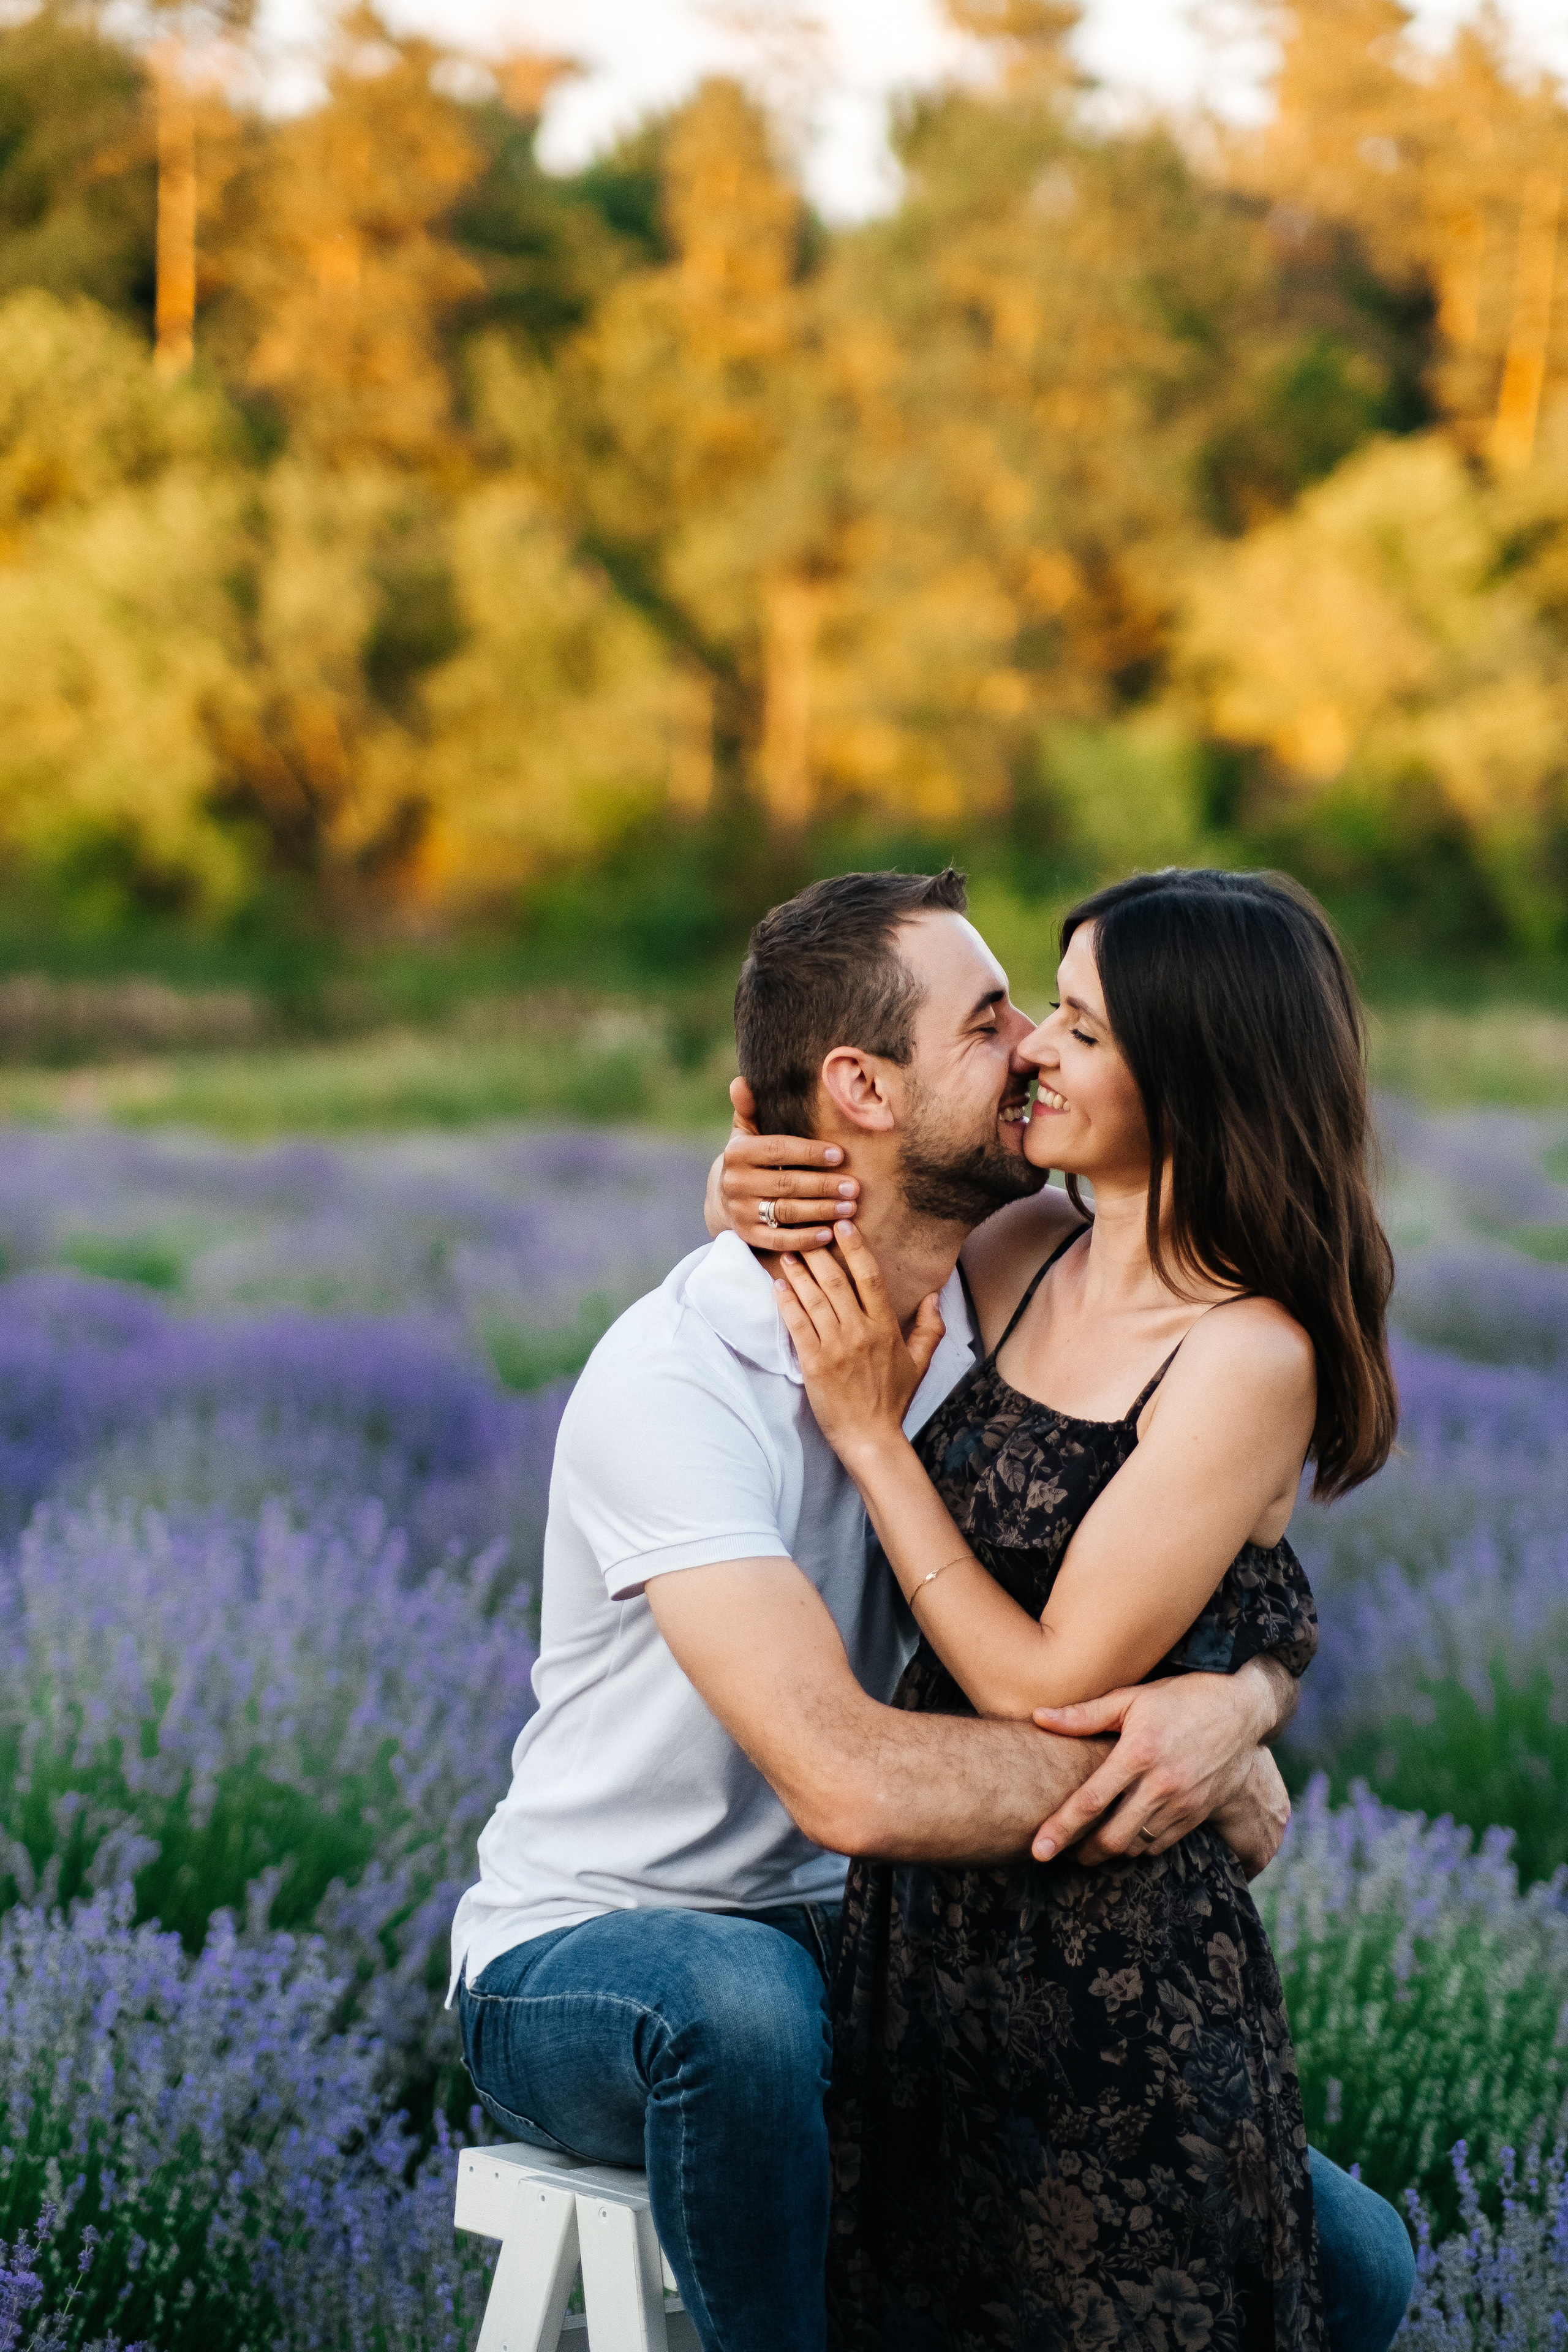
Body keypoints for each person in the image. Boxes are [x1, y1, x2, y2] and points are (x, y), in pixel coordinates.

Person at [448, 867, 1411, 2352]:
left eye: (1052, 1017)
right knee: (740, 2011)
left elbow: (1197, 1549)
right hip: (606, 1953)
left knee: (1341, 2252)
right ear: (862, 1088)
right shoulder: (675, 1380)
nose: (1030, 1043)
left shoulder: (1004, 1286)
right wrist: (1175, 1777)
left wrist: (1241, 1696)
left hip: (895, 1951)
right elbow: (845, 1778)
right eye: (991, 1021)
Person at [748, 867, 1399, 2352]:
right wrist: (745, 1171)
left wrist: (866, 1438)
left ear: (1190, 1073)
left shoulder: (1244, 1355)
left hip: (1113, 1989)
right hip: (926, 1949)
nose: (1034, 1042)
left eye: (1083, 1029)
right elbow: (862, 1189)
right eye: (1046, 1005)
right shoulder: (1023, 1250)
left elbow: (1040, 1678)